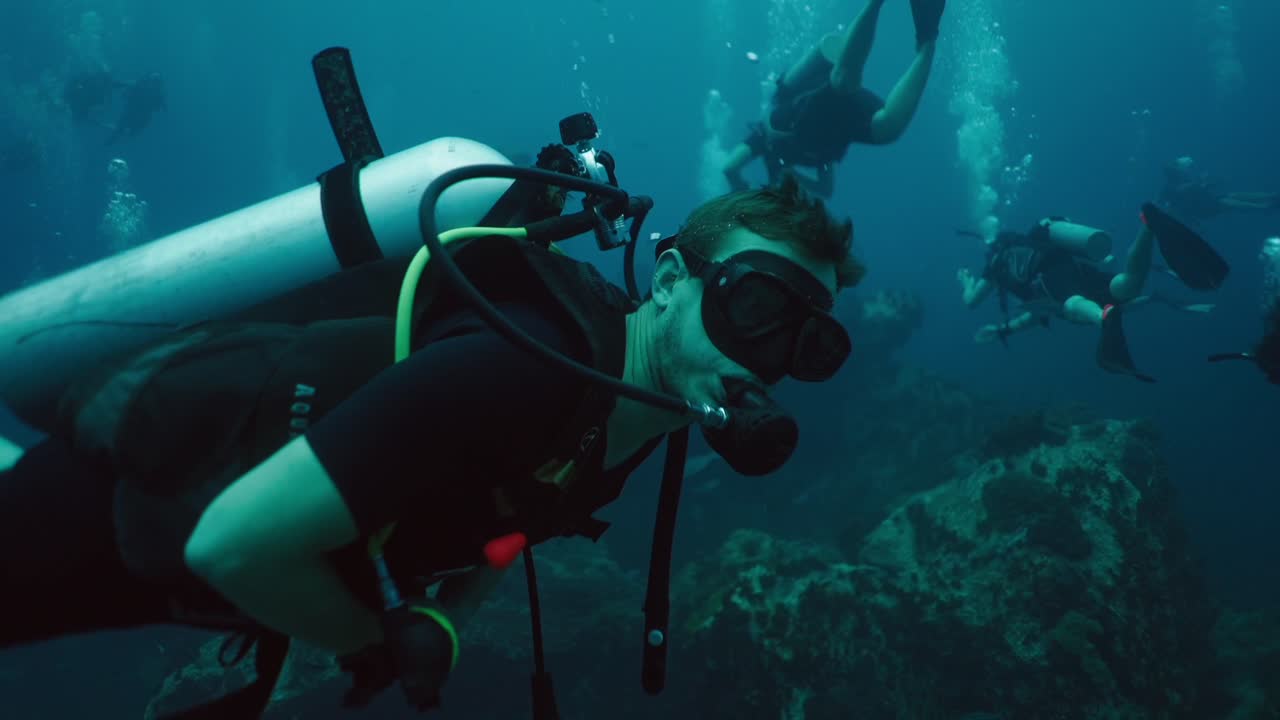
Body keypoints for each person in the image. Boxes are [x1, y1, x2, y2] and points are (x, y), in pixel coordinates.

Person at [0, 174, 863, 715]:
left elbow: (519, 517)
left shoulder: (638, 409)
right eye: (757, 308)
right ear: (671, 283)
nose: (769, 359)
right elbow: (233, 543)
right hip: (130, 492)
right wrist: (377, 639)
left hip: (163, 542)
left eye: (806, 346)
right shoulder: (528, 370)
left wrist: (451, 616)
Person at [957, 204, 1226, 382]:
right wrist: (1004, 329)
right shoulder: (1033, 240)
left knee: (1071, 304)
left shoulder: (995, 268)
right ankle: (1148, 227)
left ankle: (1102, 316)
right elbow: (1037, 314)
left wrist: (965, 280)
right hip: (1073, 266)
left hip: (1051, 279)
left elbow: (971, 302)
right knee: (1127, 284)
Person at [721, 0, 946, 198]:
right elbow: (826, 190)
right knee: (887, 128)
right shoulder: (810, 157)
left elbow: (730, 167)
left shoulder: (764, 139)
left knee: (843, 81)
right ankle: (927, 42)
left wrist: (739, 188)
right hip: (835, 128)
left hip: (806, 111)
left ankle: (877, 3)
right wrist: (793, 177)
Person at [1159, 155, 1280, 225]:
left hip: (1208, 200)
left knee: (1233, 195)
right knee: (1227, 202)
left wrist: (1205, 183)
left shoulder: (1180, 180)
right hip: (1204, 208)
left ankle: (1271, 197)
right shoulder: (1171, 188)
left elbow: (1196, 188)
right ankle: (1266, 206)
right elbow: (1178, 198)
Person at [105, 72, 167, 145]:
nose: (153, 84)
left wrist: (162, 107)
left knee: (134, 130)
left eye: (156, 82)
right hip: (131, 110)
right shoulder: (140, 84)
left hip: (143, 115)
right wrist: (113, 84)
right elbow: (124, 84)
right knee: (121, 127)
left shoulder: (158, 93)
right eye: (153, 81)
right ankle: (112, 139)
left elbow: (162, 105)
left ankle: (127, 132)